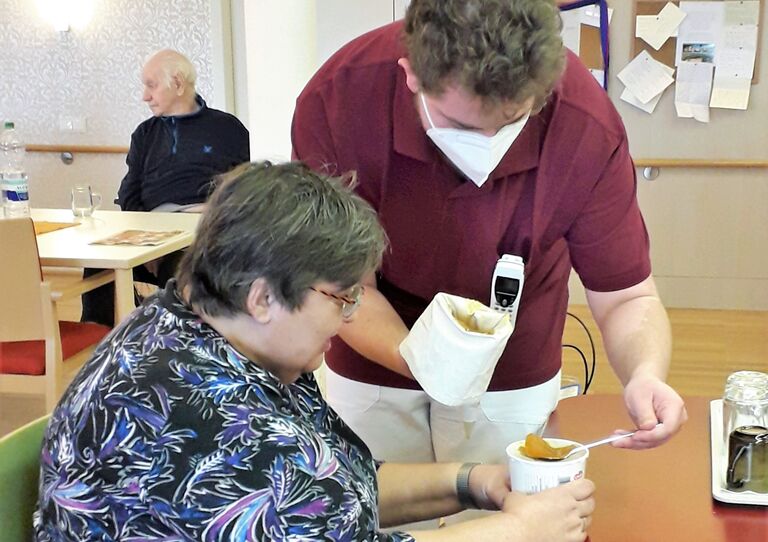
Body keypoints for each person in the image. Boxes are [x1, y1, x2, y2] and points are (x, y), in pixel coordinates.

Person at [34, 161, 596, 542]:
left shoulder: (212, 332)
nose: (351, 315)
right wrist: (521, 530)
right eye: (340, 296)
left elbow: (337, 489)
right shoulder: (208, 422)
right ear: (262, 297)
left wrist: (470, 482)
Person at [291, 0, 687, 472]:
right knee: (374, 505)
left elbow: (626, 296)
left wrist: (644, 374)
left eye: (513, 121)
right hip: (373, 346)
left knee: (504, 512)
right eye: (463, 126)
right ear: (412, 74)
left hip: (514, 355)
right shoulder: (338, 102)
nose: (490, 144)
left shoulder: (584, 123)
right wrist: (423, 362)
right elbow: (340, 288)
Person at [81, 49, 250, 326]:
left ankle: (175, 345)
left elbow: (246, 187)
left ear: (179, 83)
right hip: (153, 229)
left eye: (151, 85)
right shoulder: (145, 134)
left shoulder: (227, 129)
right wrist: (145, 239)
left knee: (181, 263)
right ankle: (100, 340)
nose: (144, 96)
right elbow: (129, 193)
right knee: (100, 261)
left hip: (202, 229)